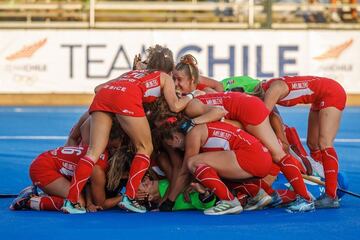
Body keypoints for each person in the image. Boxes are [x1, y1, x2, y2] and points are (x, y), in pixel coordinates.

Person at [62, 45, 205, 214]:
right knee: (145, 148)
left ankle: (71, 201)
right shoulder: (164, 76)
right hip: (126, 99)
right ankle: (130, 198)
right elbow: (174, 106)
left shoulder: (130, 73)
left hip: (104, 96)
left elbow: (98, 89)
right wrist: (192, 95)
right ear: (169, 68)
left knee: (93, 152)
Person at [256, 75, 346, 208]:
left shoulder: (272, 90)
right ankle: (322, 178)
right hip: (319, 96)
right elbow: (274, 118)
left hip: (332, 93)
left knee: (324, 143)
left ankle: (331, 196)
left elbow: (260, 118)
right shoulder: (269, 88)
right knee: (312, 144)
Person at [160, 118, 273, 215]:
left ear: (176, 138)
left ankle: (229, 201)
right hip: (262, 158)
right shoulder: (205, 127)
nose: (175, 149)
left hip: (251, 158)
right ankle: (257, 194)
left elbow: (185, 172)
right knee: (212, 170)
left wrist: (169, 202)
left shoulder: (193, 133)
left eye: (172, 145)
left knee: (192, 162)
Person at [10, 145, 124, 213]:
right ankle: (29, 201)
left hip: (46, 161)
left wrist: (90, 203)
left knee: (81, 199)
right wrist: (125, 197)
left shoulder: (103, 153)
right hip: (43, 168)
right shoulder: (99, 170)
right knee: (78, 203)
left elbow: (87, 181)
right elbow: (101, 204)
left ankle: (43, 194)